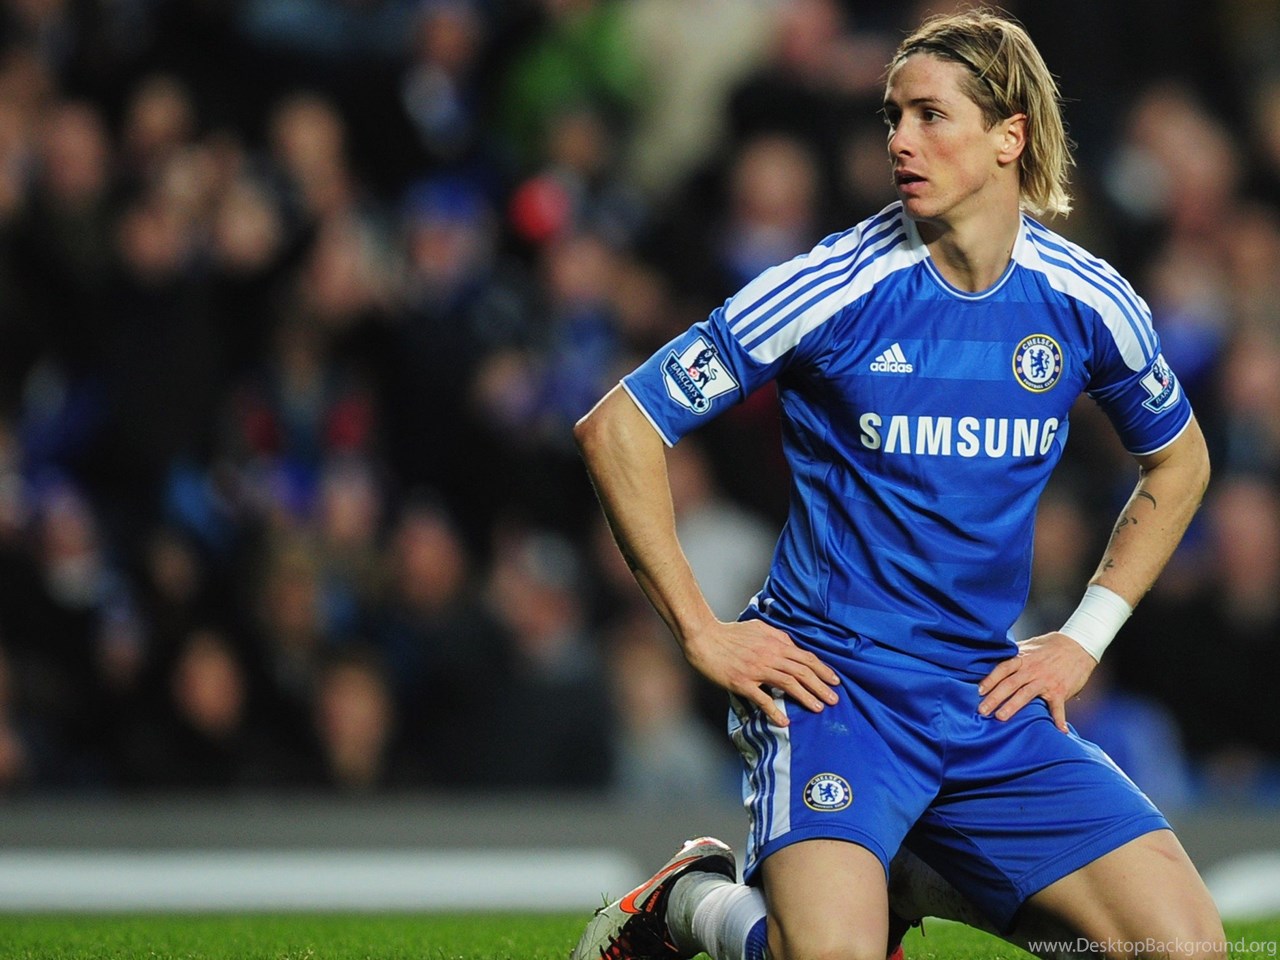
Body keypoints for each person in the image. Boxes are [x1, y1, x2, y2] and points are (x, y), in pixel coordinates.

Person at [570, 9, 1223, 960]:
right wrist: (701, 631)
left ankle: (909, 866)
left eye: (930, 115)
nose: (900, 142)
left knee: (1184, 951)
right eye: (892, 117)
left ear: (1010, 136)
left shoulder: (1086, 300)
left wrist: (1081, 641)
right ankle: (692, 901)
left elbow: (1182, 459)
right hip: (834, 694)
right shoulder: (831, 287)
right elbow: (619, 425)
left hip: (981, 696)